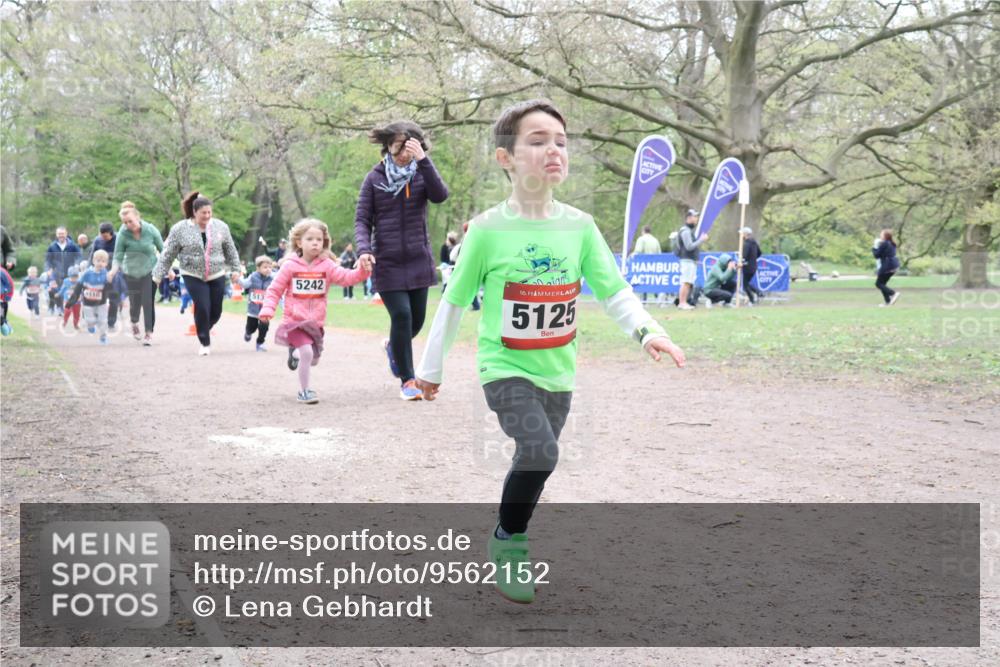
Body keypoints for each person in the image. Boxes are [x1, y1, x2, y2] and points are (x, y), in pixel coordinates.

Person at [414, 99, 686, 604]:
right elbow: (453, 304)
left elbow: (614, 291)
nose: (553, 150)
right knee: (541, 451)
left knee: (537, 459)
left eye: (560, 141)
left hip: (558, 371)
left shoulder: (580, 226)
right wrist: (430, 371)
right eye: (537, 141)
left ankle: (509, 527)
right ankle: (509, 542)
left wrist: (649, 332)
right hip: (505, 366)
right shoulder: (487, 230)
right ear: (507, 158)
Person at [354, 120, 450, 400]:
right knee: (402, 315)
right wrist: (364, 250)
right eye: (398, 145)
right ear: (387, 146)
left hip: (419, 258)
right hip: (387, 261)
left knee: (416, 321)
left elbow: (440, 196)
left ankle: (393, 348)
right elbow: (362, 219)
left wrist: (424, 161)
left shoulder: (421, 173)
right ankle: (408, 381)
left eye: (409, 145)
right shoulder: (374, 178)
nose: (404, 152)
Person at [258, 218, 370, 404]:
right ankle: (304, 391)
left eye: (319, 239)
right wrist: (268, 308)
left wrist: (363, 271)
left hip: (315, 323)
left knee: (313, 359)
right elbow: (275, 289)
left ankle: (295, 354)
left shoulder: (327, 266)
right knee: (307, 353)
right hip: (294, 320)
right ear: (299, 242)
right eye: (310, 239)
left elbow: (347, 278)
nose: (315, 243)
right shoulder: (290, 265)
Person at [153, 191, 242, 355]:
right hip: (192, 273)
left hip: (216, 272)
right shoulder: (180, 229)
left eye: (209, 212)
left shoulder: (221, 227)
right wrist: (158, 275)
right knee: (202, 306)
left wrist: (236, 269)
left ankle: (203, 327)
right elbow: (168, 254)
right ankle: (205, 343)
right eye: (203, 213)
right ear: (194, 212)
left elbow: (230, 250)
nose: (207, 216)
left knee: (216, 311)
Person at [109, 202, 163, 346]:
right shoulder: (123, 234)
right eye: (125, 222)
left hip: (149, 270)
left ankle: (148, 333)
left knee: (148, 301)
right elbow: (118, 255)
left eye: (130, 221)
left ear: (137, 217)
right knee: (135, 303)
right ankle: (134, 322)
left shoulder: (151, 230)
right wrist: (113, 270)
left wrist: (168, 270)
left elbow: (164, 251)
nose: (128, 225)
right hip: (131, 272)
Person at [65, 249, 113, 345]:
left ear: (106, 263)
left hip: (101, 303)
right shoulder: (86, 274)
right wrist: (71, 302)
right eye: (98, 261)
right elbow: (78, 288)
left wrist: (109, 282)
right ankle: (90, 325)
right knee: (90, 320)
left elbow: (110, 289)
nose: (100, 263)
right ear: (93, 261)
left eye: (103, 261)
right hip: (88, 303)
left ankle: (103, 338)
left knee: (103, 321)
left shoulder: (106, 275)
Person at [675, 209, 708, 310]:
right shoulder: (685, 231)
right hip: (687, 260)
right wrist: (701, 240)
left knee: (688, 282)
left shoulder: (688, 231)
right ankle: (682, 302)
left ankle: (684, 302)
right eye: (695, 216)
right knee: (686, 282)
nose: (696, 219)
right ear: (688, 218)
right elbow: (689, 246)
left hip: (690, 260)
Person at [240, 255, 274, 351]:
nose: (268, 269)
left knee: (264, 327)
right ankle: (248, 332)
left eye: (270, 267)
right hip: (253, 309)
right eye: (265, 267)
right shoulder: (253, 277)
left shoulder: (272, 278)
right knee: (252, 327)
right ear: (258, 268)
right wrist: (238, 280)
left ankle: (260, 343)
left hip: (266, 309)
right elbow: (245, 284)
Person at [45, 226, 82, 315]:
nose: (61, 235)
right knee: (56, 289)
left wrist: (77, 265)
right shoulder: (52, 246)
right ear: (56, 235)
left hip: (69, 272)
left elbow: (79, 256)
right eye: (59, 234)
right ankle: (57, 308)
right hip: (56, 272)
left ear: (66, 234)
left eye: (62, 233)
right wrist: (48, 269)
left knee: (65, 290)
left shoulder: (72, 245)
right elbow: (48, 260)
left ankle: (65, 308)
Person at [90, 222, 120, 327]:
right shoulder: (98, 240)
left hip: (114, 272)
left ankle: (111, 322)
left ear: (111, 233)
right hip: (99, 273)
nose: (103, 238)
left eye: (105, 236)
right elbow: (92, 256)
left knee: (113, 297)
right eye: (102, 235)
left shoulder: (119, 239)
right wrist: (90, 269)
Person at [632, 225, 662, 303]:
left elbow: (638, 251)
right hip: (654, 264)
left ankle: (644, 300)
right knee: (654, 281)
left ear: (643, 231)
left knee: (642, 281)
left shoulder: (641, 239)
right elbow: (659, 253)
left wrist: (631, 256)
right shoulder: (655, 240)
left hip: (643, 265)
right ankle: (658, 298)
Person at [873, 229, 900, 306]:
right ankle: (888, 302)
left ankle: (893, 293)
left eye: (881, 234)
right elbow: (882, 254)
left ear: (885, 236)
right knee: (882, 284)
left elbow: (876, 255)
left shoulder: (884, 243)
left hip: (887, 265)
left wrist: (874, 247)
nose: (880, 235)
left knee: (878, 284)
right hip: (894, 265)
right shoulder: (892, 243)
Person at [739, 227, 763, 305]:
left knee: (745, 285)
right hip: (753, 266)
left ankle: (753, 299)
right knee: (746, 284)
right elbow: (759, 253)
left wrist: (742, 262)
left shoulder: (746, 244)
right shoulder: (754, 243)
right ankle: (758, 293)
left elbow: (744, 256)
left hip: (747, 267)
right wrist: (753, 259)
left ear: (745, 234)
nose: (741, 236)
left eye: (742, 234)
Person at [0, 265, 12, 336]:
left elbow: (8, 286)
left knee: (1, 319)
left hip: (2, 301)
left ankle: (6, 327)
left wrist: (3, 291)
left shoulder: (2, 273)